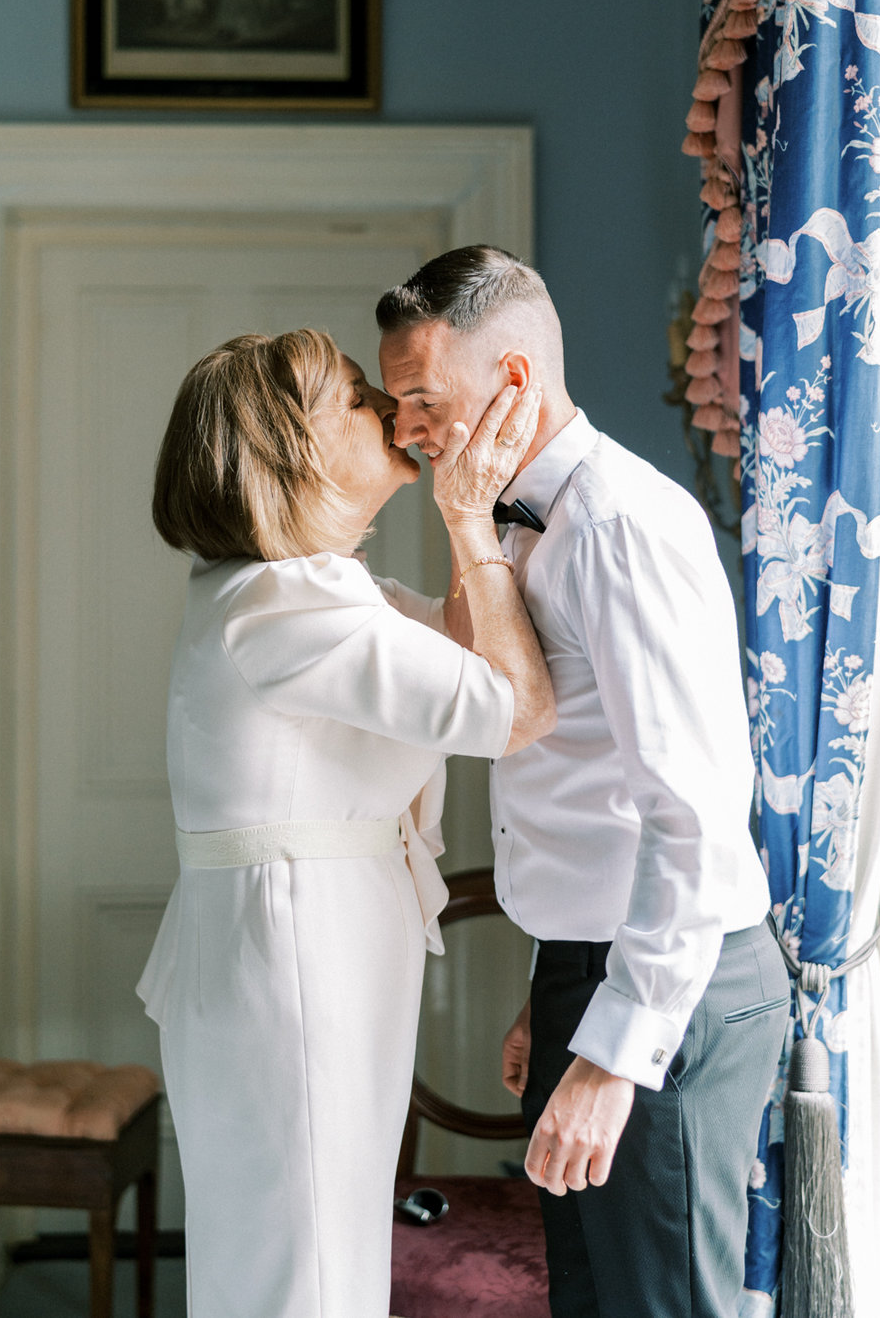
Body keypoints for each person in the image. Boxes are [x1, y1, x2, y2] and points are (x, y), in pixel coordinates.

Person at [376, 247, 789, 1318]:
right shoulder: (521, 526)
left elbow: (691, 810)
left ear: (512, 381)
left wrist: (613, 1055)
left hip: (671, 993)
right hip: (598, 964)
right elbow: (587, 787)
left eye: (424, 398)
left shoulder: (617, 528)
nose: (406, 429)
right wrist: (556, 984)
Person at [136, 328, 555, 1318]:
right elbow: (516, 709)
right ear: (294, 449)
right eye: (358, 398)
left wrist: (470, 501)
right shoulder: (290, 604)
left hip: (293, 947)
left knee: (300, 1256)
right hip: (297, 957)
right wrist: (466, 516)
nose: (386, 411)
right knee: (309, 1268)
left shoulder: (291, 593)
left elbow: (464, 644)